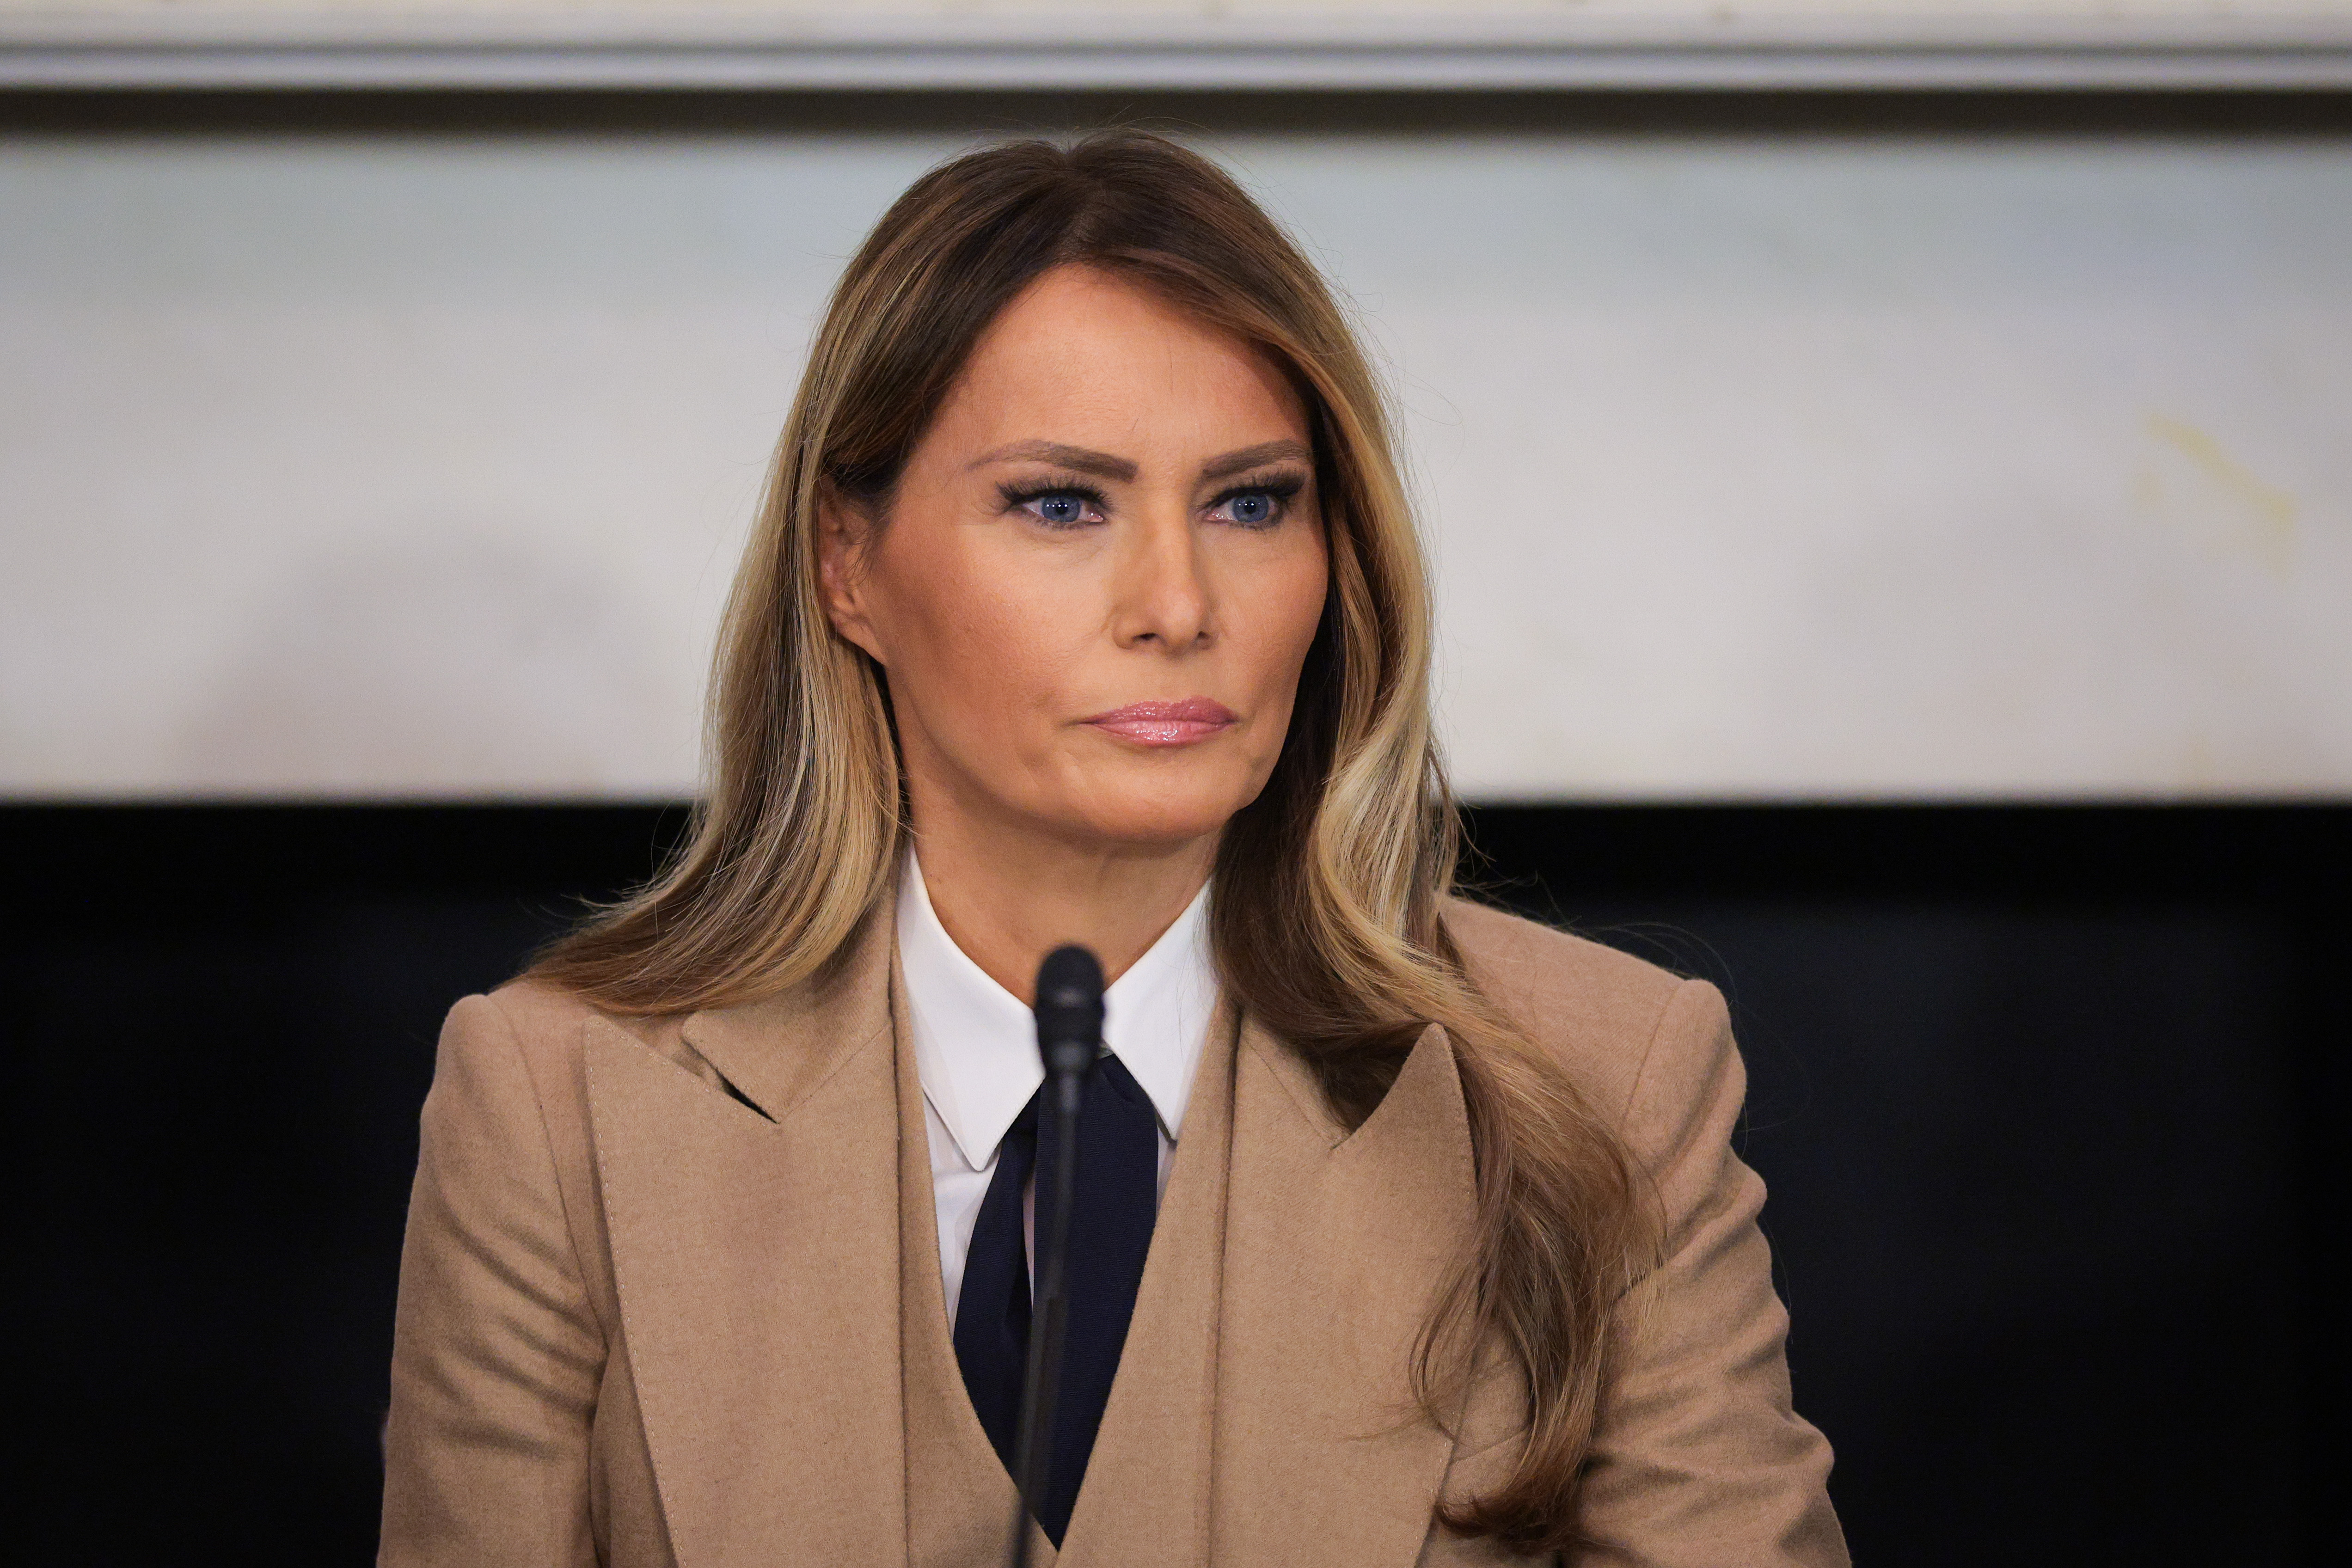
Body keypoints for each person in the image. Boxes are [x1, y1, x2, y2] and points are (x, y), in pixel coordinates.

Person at [378, 129, 1846, 1567]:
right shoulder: (557, 1107)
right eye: (1062, 503)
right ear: (848, 566)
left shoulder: (1601, 1077)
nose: (1176, 603)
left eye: (1250, 503)